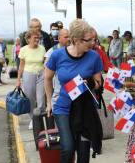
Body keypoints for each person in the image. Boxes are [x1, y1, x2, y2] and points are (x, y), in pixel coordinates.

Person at [45, 19, 103, 163]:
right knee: (68, 147)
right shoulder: (57, 55)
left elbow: (98, 83)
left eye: (93, 39)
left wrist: (89, 83)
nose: (93, 43)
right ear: (76, 40)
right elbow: (47, 78)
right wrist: (48, 102)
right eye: (88, 40)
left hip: (85, 110)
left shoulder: (94, 56)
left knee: (83, 153)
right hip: (63, 108)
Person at [16, 28, 46, 130]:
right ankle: (33, 119)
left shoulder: (42, 48)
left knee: (41, 99)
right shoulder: (23, 50)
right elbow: (21, 66)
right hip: (28, 74)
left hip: (41, 74)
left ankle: (40, 119)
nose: (37, 39)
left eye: (38, 38)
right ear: (28, 39)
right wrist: (18, 80)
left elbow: (45, 63)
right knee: (30, 99)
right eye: (35, 38)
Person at [44, 29, 69, 107]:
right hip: (58, 91)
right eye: (66, 37)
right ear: (59, 38)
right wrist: (49, 101)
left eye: (70, 37)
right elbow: (47, 74)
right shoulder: (52, 52)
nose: (69, 39)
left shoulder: (74, 50)